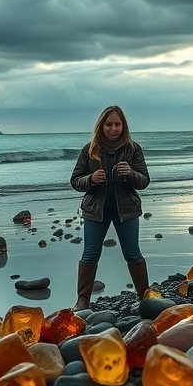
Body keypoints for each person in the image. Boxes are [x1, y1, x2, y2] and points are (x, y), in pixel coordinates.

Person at [70, 105, 150, 310]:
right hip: (95, 212)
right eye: (109, 124)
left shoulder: (133, 149)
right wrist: (91, 179)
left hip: (127, 211)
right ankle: (82, 301)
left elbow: (144, 181)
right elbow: (75, 181)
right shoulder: (89, 150)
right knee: (90, 254)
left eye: (117, 124)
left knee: (132, 253)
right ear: (101, 126)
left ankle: (144, 298)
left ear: (123, 126)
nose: (113, 129)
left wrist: (130, 173)